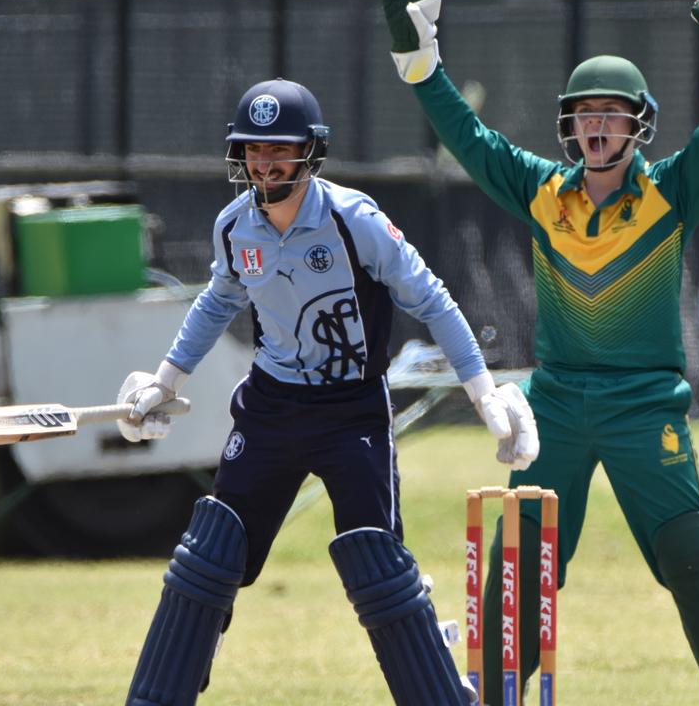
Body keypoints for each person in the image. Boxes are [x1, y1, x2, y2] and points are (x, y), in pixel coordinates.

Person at [376, 0, 699, 703]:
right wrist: (420, 64)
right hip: (556, 404)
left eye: (611, 115)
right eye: (585, 115)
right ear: (569, 126)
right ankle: (492, 696)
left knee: (695, 555)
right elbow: (472, 139)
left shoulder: (671, 195)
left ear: (638, 127)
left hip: (644, 405)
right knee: (518, 564)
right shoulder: (542, 193)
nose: (597, 127)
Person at [117, 77, 538, 705]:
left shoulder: (354, 220)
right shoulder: (235, 228)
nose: (264, 164)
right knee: (213, 554)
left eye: (278, 150)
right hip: (269, 409)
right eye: (252, 151)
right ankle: (165, 691)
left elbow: (432, 299)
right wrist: (165, 379)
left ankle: (442, 693)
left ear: (310, 152)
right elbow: (217, 302)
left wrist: (484, 394)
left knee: (378, 565)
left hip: (351, 414)